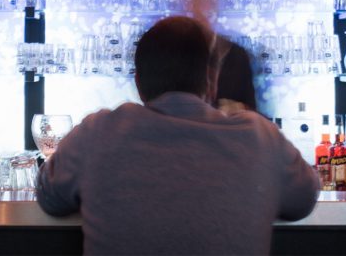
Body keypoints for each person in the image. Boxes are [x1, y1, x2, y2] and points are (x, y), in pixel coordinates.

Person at [36, 16, 319, 255]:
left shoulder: (97, 133)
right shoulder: (260, 138)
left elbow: (49, 197)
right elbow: (304, 199)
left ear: (138, 82)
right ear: (211, 80)